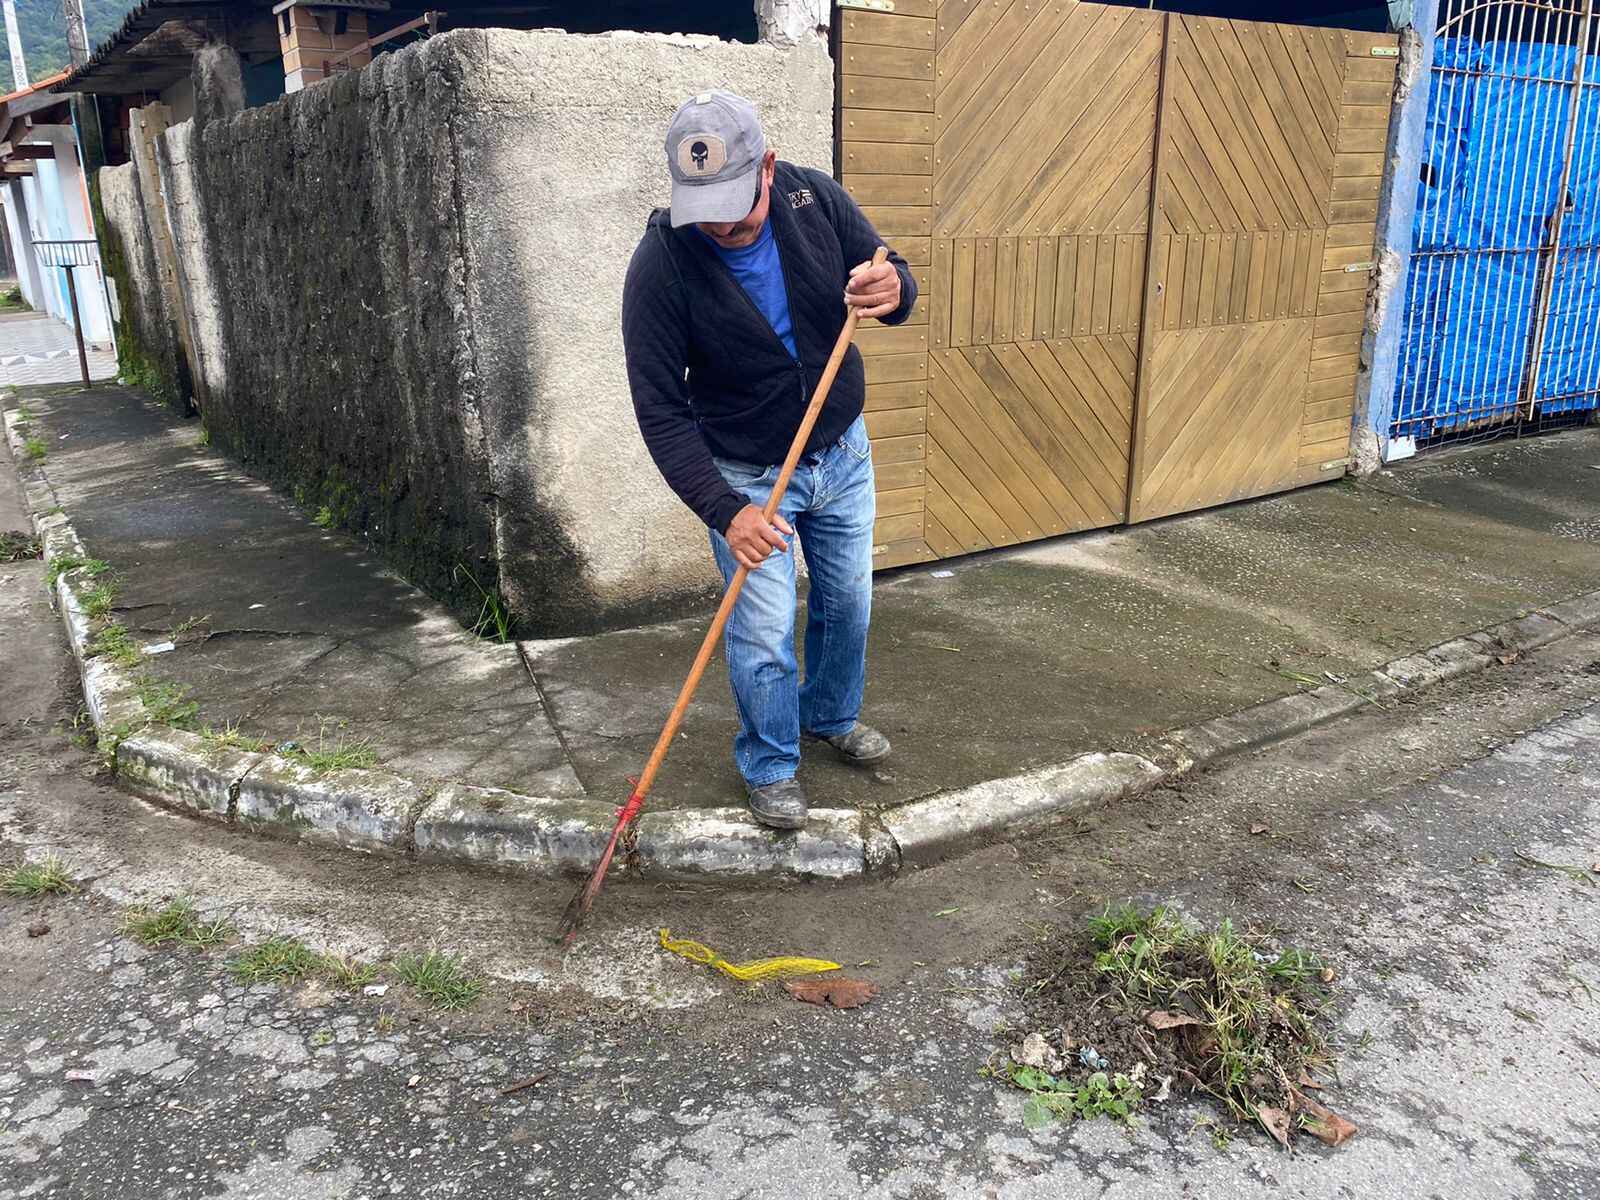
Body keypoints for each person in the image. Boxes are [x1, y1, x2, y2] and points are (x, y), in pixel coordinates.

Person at [622, 90, 918, 831]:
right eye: (705, 210)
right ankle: (771, 762)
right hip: (747, 476)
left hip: (842, 452)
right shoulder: (663, 265)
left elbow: (891, 273)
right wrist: (727, 512)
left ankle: (830, 716)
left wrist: (896, 289)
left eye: (736, 205)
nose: (722, 226)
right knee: (760, 634)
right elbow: (660, 411)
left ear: (769, 167)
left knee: (848, 604)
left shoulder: (815, 199)